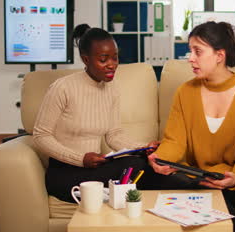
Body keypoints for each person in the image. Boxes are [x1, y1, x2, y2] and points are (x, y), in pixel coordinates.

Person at [147, 21, 235, 232]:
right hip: (196, 177)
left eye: (198, 51)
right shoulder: (185, 91)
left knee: (214, 195)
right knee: (161, 179)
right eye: (190, 51)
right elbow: (175, 141)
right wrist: (161, 158)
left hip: (231, 179)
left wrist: (234, 179)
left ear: (220, 55)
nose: (190, 58)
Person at [33, 24, 157, 203]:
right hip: (64, 174)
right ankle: (194, 184)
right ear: (86, 59)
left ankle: (195, 184)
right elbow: (40, 135)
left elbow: (113, 135)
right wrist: (80, 159)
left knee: (146, 162)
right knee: (136, 165)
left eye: (115, 58)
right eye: (104, 59)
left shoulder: (111, 88)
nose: (112, 65)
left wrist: (144, 148)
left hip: (95, 169)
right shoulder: (62, 88)